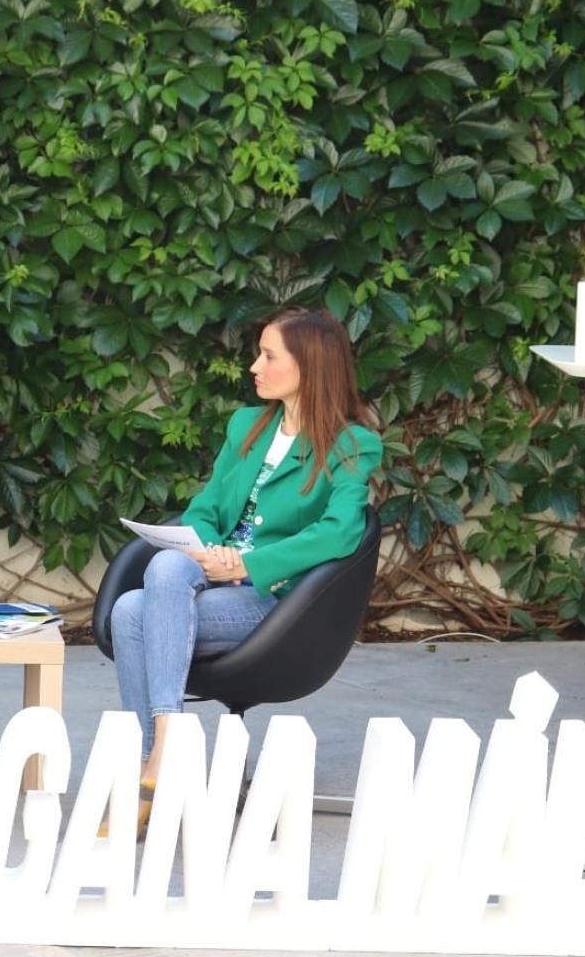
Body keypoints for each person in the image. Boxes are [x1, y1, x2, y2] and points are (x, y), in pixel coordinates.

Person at [108, 306, 382, 830]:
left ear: (309, 366)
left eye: (268, 355)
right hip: (212, 575)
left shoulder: (351, 444)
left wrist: (245, 565)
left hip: (276, 601)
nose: (254, 366)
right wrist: (214, 554)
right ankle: (162, 758)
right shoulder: (247, 427)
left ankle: (156, 765)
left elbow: (340, 531)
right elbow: (207, 509)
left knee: (132, 611)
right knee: (156, 582)